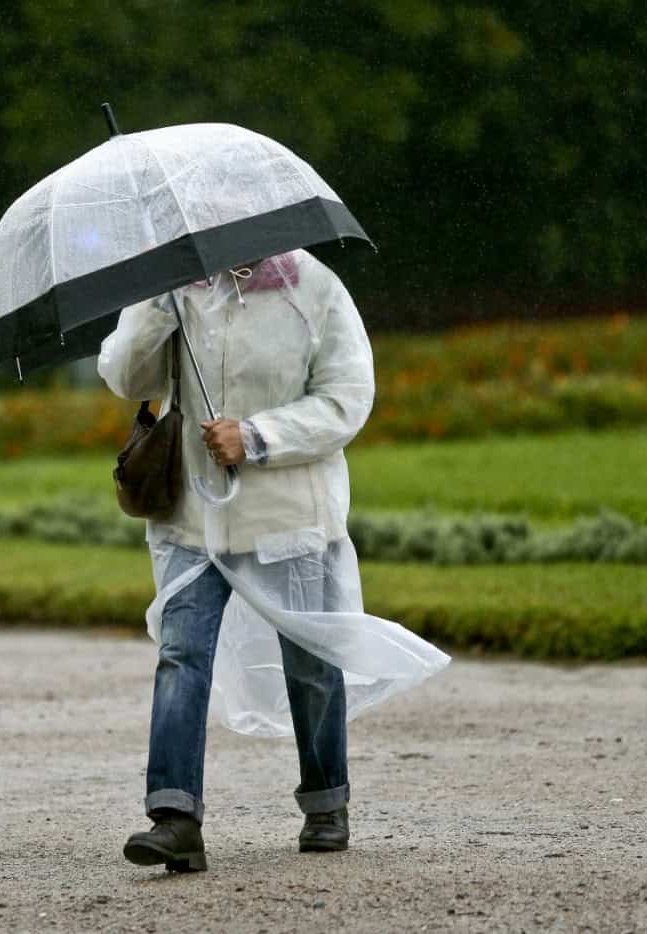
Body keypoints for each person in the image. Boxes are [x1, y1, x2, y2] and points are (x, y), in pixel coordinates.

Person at [98, 249, 443, 873]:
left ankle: (326, 802)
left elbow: (346, 399)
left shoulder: (311, 287)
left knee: (310, 663)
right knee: (181, 655)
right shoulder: (174, 286)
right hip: (192, 519)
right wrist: (156, 305)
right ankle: (174, 818)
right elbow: (127, 379)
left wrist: (257, 437)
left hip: (289, 517)